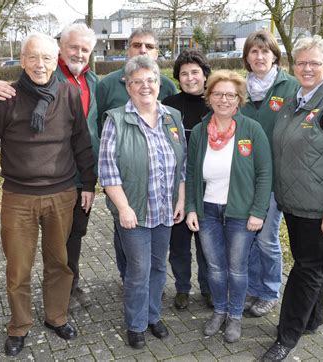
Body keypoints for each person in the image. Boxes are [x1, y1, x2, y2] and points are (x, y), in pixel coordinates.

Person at [0, 33, 97, 357]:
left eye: (46, 58)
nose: (40, 65)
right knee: (18, 268)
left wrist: (89, 185)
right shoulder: (7, 98)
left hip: (62, 195)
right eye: (33, 58)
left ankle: (56, 317)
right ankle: (19, 325)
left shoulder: (69, 94)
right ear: (22, 60)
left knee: (60, 262)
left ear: (56, 60)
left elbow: (82, 142)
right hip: (18, 198)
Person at [262, 36, 323, 361]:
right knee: (313, 266)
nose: (307, 68)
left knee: (307, 269)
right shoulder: (297, 98)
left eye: (314, 63)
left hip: (322, 207)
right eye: (302, 62)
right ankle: (313, 319)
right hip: (296, 204)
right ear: (294, 65)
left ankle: (286, 336)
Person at [98, 56, 186, 349]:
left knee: (159, 267)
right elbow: (108, 171)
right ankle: (135, 324)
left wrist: (181, 200)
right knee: (138, 270)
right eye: (137, 81)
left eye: (150, 80)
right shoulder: (116, 120)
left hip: (164, 210)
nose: (145, 86)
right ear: (128, 85)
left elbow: (182, 164)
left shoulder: (172, 116)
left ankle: (153, 316)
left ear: (159, 83)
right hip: (134, 212)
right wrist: (123, 208)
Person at [185, 70, 272, 343]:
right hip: (207, 210)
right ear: (209, 98)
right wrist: (190, 208)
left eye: (230, 95)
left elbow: (264, 173)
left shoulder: (251, 130)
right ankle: (219, 311)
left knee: (237, 268)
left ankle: (235, 316)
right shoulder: (199, 131)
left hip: (240, 212)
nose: (224, 100)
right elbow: (190, 173)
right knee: (214, 268)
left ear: (239, 100)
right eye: (218, 94)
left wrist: (258, 211)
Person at [96, 28, 178, 282]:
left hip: (158, 186)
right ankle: (128, 278)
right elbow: (97, 124)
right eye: (137, 44)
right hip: (123, 180)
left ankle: (148, 285)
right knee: (124, 235)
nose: (143, 50)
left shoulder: (165, 85)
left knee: (154, 253)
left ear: (156, 52)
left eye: (149, 46)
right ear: (128, 49)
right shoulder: (108, 83)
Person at [240, 30, 299, 317]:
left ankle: (270, 290)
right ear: (247, 58)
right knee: (249, 236)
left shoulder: (291, 87)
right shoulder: (240, 88)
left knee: (266, 236)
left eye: (265, 51)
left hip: (275, 177)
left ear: (275, 55)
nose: (259, 56)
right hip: (244, 177)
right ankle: (252, 287)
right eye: (253, 51)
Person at [162, 49, 212, 310]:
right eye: (184, 73)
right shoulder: (169, 105)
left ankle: (208, 288)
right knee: (179, 244)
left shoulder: (215, 103)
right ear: (177, 78)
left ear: (205, 75)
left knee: (206, 244)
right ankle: (182, 288)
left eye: (195, 72)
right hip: (177, 188)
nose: (190, 78)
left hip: (208, 187)